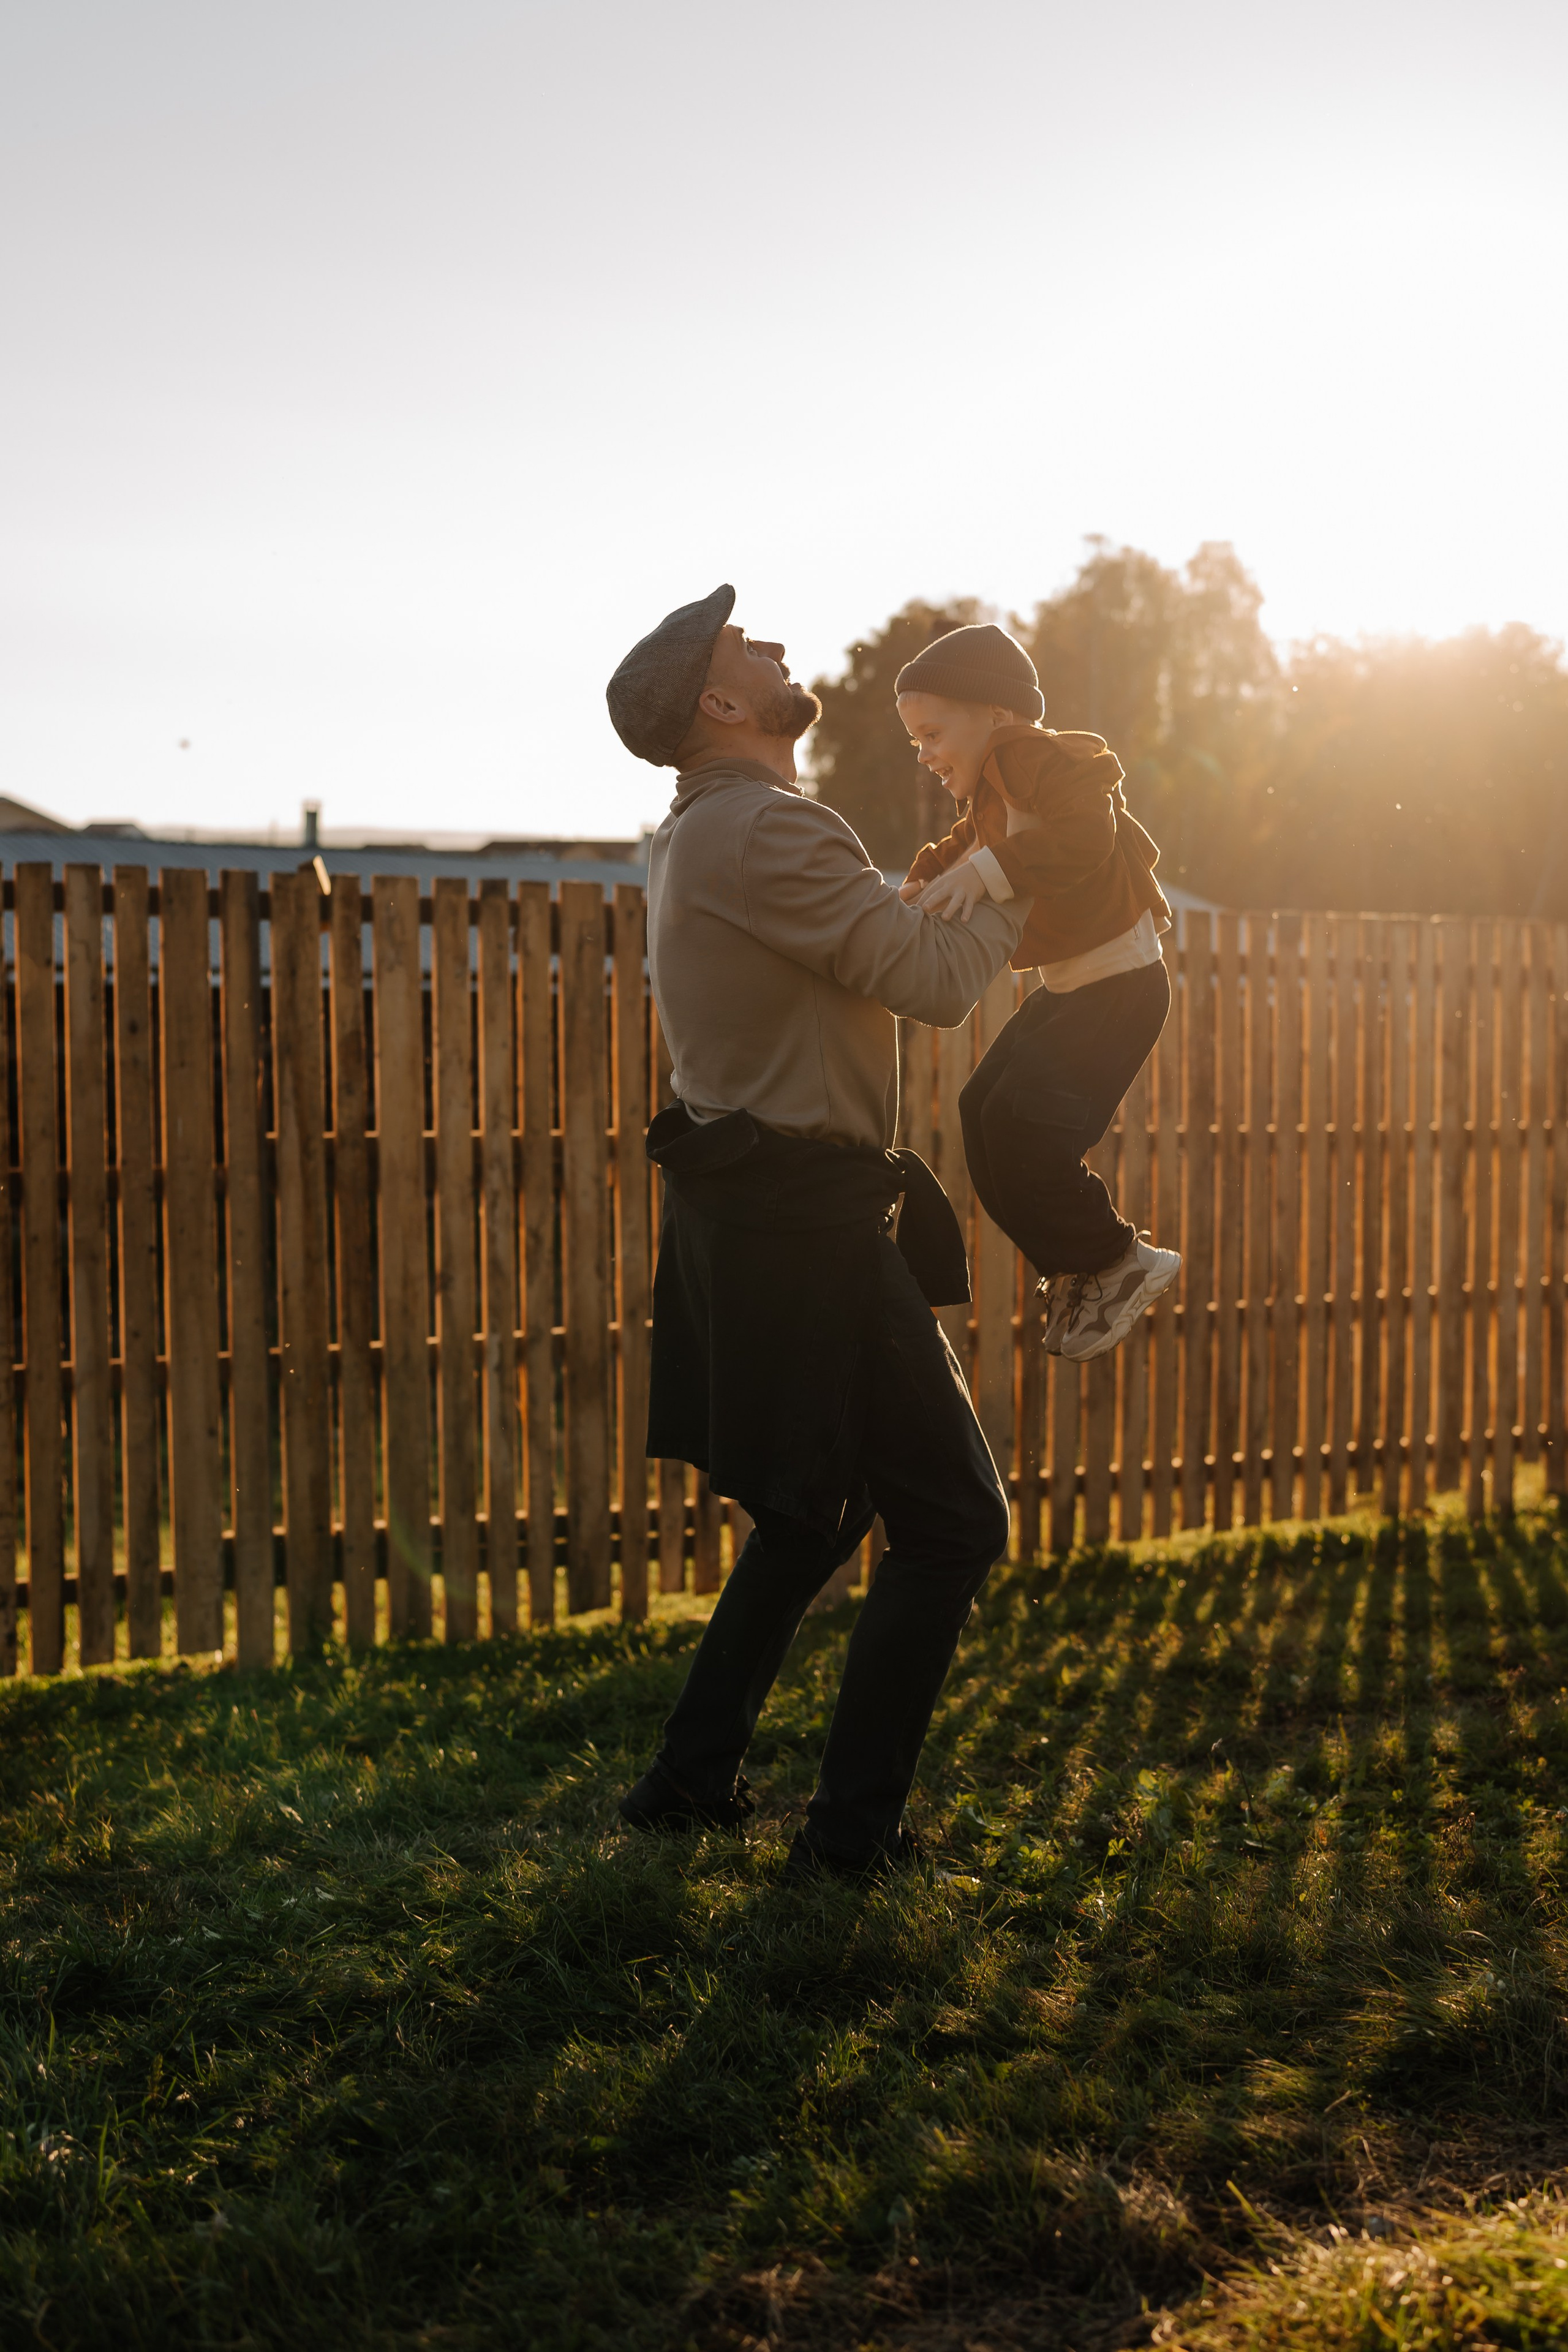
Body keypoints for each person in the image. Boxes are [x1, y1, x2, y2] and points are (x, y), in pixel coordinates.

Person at [605, 585, 1028, 1880]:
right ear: (720, 701)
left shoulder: (700, 833)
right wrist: (1030, 860)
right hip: (804, 1221)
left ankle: (686, 1783)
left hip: (763, 1210)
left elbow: (877, 945)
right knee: (954, 1524)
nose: (777, 646)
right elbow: (937, 983)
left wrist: (948, 878)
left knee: (816, 1512)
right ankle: (848, 1842)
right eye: (747, 646)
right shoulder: (767, 830)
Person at [895, 622, 1180, 1362]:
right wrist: (925, 878)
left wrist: (982, 873)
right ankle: (1084, 1267)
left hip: (1117, 988)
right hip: (1080, 989)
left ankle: (1117, 1258)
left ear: (997, 714)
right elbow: (964, 846)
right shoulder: (996, 790)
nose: (923, 754)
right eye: (916, 741)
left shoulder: (1033, 758)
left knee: (1024, 1134)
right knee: (982, 1112)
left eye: (932, 734)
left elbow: (1086, 835)